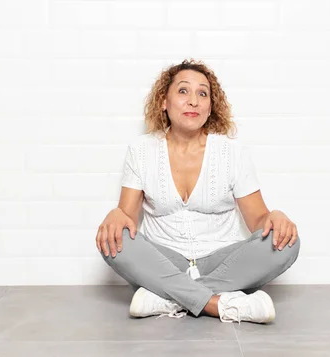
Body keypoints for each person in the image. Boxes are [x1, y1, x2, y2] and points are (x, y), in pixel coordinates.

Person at [97, 59, 301, 324]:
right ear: (164, 101)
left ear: (210, 107)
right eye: (183, 91)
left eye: (202, 94)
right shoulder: (141, 150)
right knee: (113, 240)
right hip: (164, 259)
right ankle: (221, 304)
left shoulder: (232, 152)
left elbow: (258, 221)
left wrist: (276, 216)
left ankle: (167, 297)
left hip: (222, 260)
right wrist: (116, 214)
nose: (193, 101)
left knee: (288, 243)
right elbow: (127, 218)